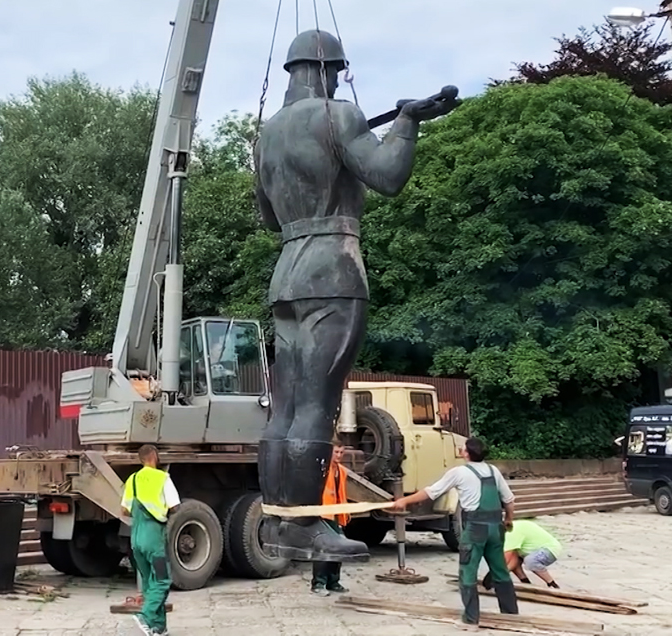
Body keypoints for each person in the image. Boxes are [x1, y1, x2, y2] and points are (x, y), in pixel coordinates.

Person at [255, 27, 460, 564]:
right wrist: (408, 122)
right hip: (334, 269)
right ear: (331, 69)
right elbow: (389, 176)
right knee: (317, 408)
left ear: (292, 69)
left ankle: (279, 516)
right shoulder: (338, 115)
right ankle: (303, 524)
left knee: (286, 407)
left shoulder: (265, 133)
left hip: (287, 272)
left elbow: (268, 216)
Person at [391, 437, 519, 625]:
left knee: (468, 571)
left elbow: (432, 492)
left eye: (463, 447)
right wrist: (508, 519)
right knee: (500, 570)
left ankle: (471, 617)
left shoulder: (459, 472)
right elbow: (509, 500)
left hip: (475, 529)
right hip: (495, 527)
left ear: (466, 453)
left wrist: (404, 501)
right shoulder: (494, 471)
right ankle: (510, 614)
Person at [121, 445, 180, 636]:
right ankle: (145, 616)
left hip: (136, 539)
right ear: (154, 456)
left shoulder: (133, 479)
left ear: (140, 459)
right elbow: (175, 506)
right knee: (162, 581)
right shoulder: (162, 478)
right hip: (153, 538)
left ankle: (159, 628)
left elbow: (124, 510)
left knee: (149, 583)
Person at [311, 441, 352, 596]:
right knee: (324, 549)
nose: (339, 456)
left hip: (336, 514)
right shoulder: (322, 470)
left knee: (338, 548)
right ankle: (318, 583)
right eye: (336, 452)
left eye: (341, 452)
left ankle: (333, 582)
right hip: (323, 514)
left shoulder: (341, 471)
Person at [483, 519, 563, 590]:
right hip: (532, 550)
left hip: (549, 550)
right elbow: (512, 561)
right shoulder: (508, 528)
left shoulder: (510, 534)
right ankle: (525, 582)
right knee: (514, 559)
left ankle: (551, 583)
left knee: (530, 561)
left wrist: (493, 574)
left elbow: (505, 558)